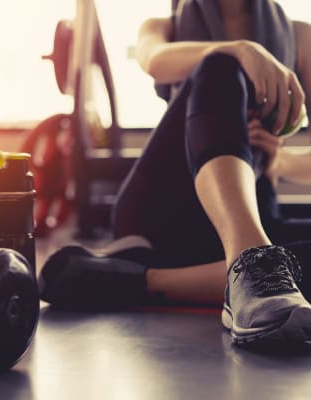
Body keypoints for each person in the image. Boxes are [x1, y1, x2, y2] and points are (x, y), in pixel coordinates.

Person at [38, 0, 311, 347]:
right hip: (164, 213)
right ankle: (250, 265)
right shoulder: (160, 27)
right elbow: (154, 60)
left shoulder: (300, 37)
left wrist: (281, 163)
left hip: (256, 216)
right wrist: (242, 50)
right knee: (221, 65)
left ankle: (143, 281)